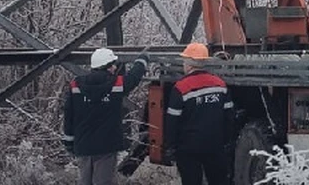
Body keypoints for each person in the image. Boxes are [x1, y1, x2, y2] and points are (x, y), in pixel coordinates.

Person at [62, 48, 149, 185]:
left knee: (85, 181)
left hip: (83, 144)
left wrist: (68, 140)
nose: (115, 68)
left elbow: (69, 115)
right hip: (106, 145)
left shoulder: (76, 85)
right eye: (112, 65)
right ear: (107, 67)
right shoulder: (116, 84)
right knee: (104, 181)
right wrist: (142, 59)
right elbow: (133, 77)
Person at [164, 42, 235, 185]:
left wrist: (170, 146)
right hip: (215, 145)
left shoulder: (181, 87)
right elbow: (229, 117)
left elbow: (172, 121)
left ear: (189, 64)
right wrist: (227, 141)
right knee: (219, 181)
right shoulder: (220, 84)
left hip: (188, 149)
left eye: (185, 60)